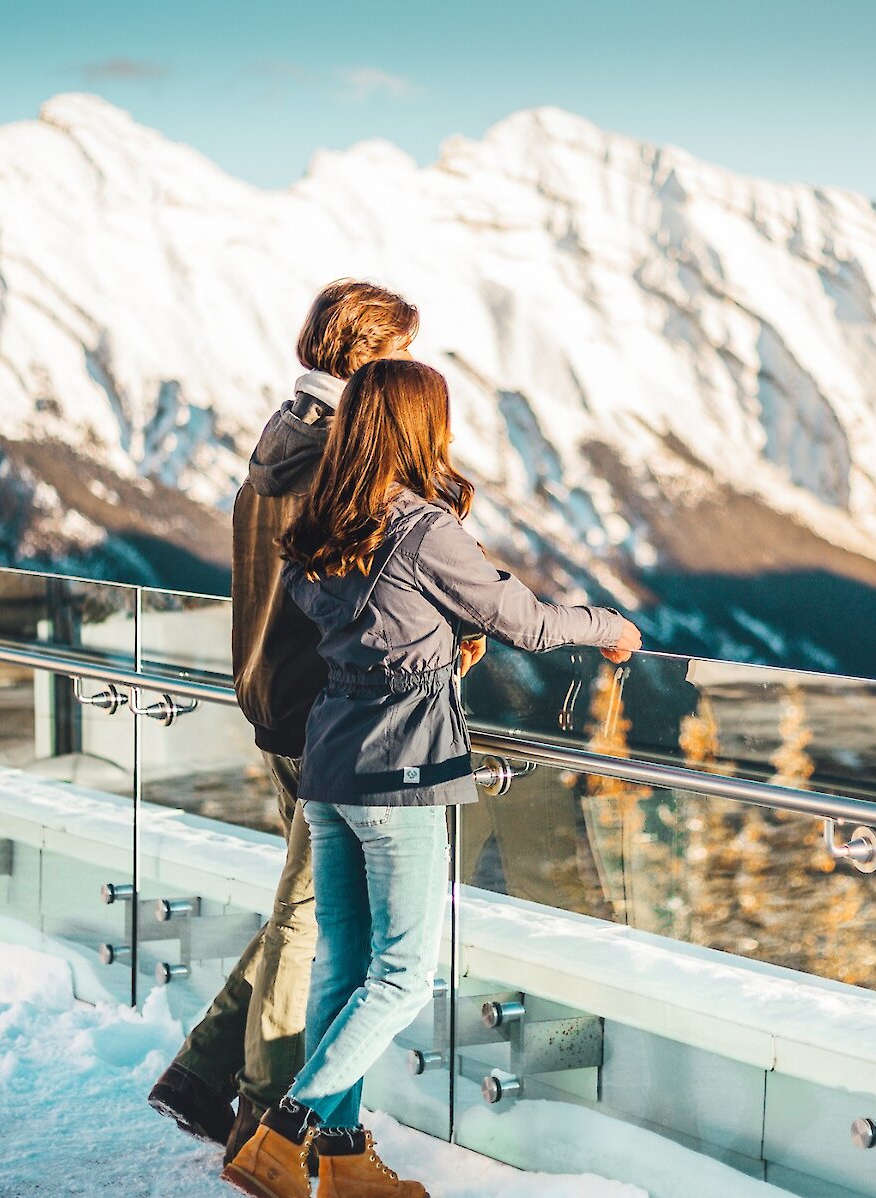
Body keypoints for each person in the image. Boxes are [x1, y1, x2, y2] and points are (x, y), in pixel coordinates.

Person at [223, 359, 640, 1198]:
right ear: (420, 430)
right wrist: (608, 627)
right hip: (398, 764)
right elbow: (522, 618)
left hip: (331, 757)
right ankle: (283, 1133)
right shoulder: (420, 528)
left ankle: (339, 1159)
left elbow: (364, 620)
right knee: (406, 973)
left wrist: (430, 638)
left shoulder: (324, 521)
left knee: (344, 966)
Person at [148, 281, 422, 1163]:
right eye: (401, 354)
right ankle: (265, 1115)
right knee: (311, 921)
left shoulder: (279, 439)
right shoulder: (339, 461)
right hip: (328, 715)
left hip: (271, 702)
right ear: (371, 355)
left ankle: (197, 1076)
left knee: (302, 907)